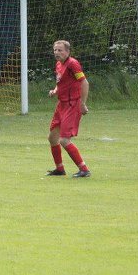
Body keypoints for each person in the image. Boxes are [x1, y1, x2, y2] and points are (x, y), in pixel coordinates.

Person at [46, 40, 91, 177]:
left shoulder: (73, 64)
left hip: (72, 105)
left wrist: (82, 104)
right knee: (52, 138)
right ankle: (60, 169)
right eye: (55, 50)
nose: (57, 53)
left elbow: (84, 83)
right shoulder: (59, 64)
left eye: (60, 50)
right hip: (61, 104)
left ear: (67, 52)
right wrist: (55, 91)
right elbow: (60, 83)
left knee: (64, 140)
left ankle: (84, 169)